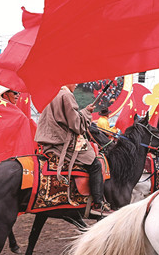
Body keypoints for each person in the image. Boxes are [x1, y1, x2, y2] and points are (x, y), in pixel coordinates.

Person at [34, 84, 110, 219]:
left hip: (48, 142)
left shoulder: (51, 92)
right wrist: (87, 114)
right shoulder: (66, 95)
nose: (76, 84)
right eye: (74, 82)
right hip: (61, 144)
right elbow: (77, 126)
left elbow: (69, 117)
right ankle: (98, 204)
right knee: (95, 164)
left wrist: (85, 111)